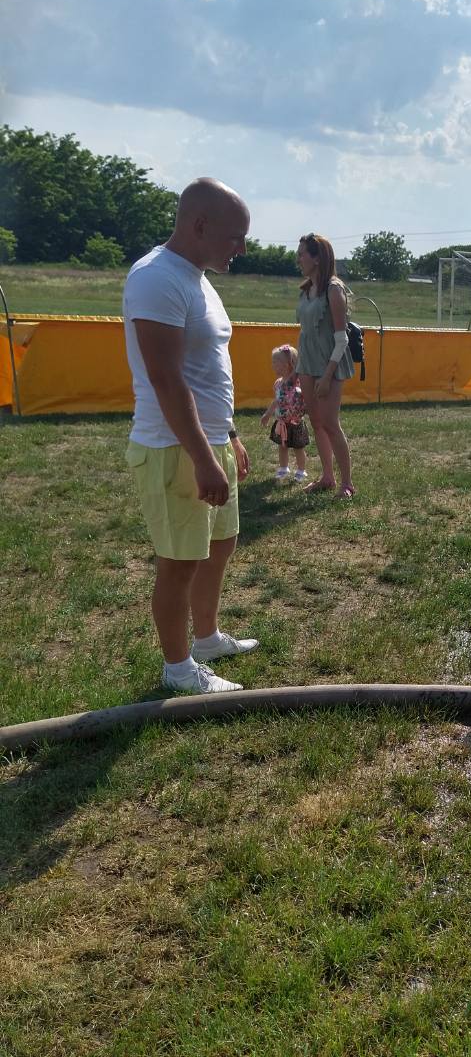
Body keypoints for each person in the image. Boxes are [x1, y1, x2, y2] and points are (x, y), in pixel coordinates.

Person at [123, 177, 259, 694]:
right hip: (174, 447)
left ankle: (206, 638)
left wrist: (229, 436)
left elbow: (208, 370)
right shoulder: (156, 278)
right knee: (179, 561)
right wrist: (203, 458)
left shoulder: (198, 277)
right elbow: (166, 378)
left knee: (220, 544)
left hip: (209, 441)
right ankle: (179, 669)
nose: (242, 249)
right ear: (200, 225)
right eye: (236, 237)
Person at [295, 233, 356, 497]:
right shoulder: (306, 289)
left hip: (330, 364)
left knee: (331, 423)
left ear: (317, 258)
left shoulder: (334, 290)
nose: (298, 259)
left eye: (302, 254)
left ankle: (347, 483)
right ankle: (327, 477)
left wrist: (327, 376)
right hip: (307, 363)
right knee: (317, 422)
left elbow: (342, 339)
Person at [259, 343, 309, 481]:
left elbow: (298, 368)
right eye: (273, 362)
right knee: (282, 446)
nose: (273, 365)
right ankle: (283, 467)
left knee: (298, 448)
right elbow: (277, 401)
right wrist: (267, 414)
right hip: (281, 422)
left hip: (296, 422)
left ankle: (301, 470)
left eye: (276, 362)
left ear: (288, 364)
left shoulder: (296, 381)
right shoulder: (278, 383)